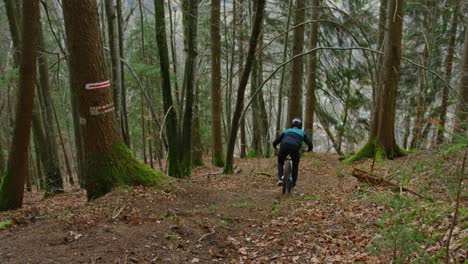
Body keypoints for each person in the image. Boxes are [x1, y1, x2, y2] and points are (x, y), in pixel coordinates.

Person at [272, 118, 313, 189]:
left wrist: (275, 147)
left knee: (280, 161)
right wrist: (308, 149)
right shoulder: (302, 132)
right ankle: (293, 183)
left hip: (284, 146)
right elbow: (310, 144)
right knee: (295, 164)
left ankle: (280, 178)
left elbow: (275, 141)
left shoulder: (287, 131)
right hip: (295, 148)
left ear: (292, 124)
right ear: (300, 125)